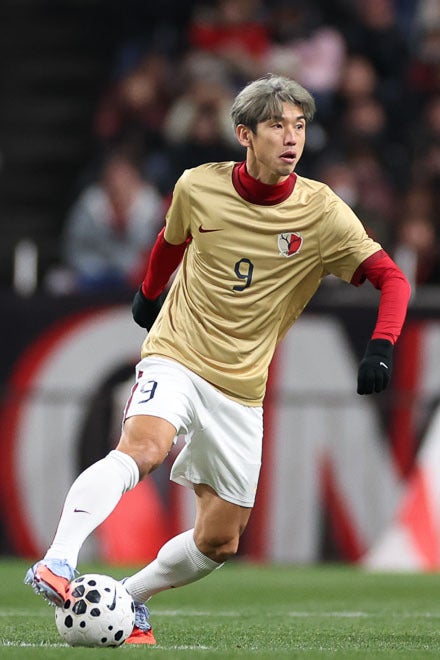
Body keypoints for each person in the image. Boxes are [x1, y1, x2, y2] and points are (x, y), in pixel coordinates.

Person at [25, 74, 411, 645]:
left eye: (299, 126)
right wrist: (150, 294)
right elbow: (170, 240)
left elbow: (393, 279)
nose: (292, 138)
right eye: (276, 125)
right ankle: (58, 560)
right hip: (177, 355)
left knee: (220, 541)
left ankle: (131, 597)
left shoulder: (322, 213)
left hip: (241, 389)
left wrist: (381, 346)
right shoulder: (198, 186)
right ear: (244, 135)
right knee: (143, 448)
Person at [62, 150, 164, 291]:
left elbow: (158, 249)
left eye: (124, 177)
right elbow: (73, 246)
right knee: (59, 283)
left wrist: (137, 270)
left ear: (135, 178)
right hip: (92, 272)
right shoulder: (90, 204)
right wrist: (93, 269)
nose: (118, 183)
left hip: (139, 275)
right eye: (113, 177)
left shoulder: (151, 205)